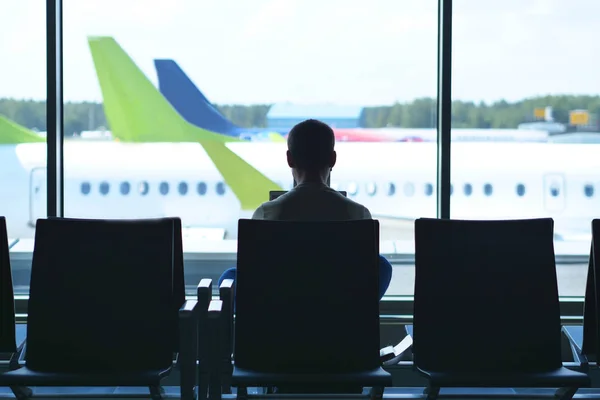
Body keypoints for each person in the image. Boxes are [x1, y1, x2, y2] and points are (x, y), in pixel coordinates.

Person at [218, 118, 393, 299]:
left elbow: (255, 273)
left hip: (280, 313)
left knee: (230, 276)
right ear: (333, 159)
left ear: (289, 159)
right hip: (337, 313)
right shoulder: (358, 214)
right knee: (381, 265)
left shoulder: (267, 213)